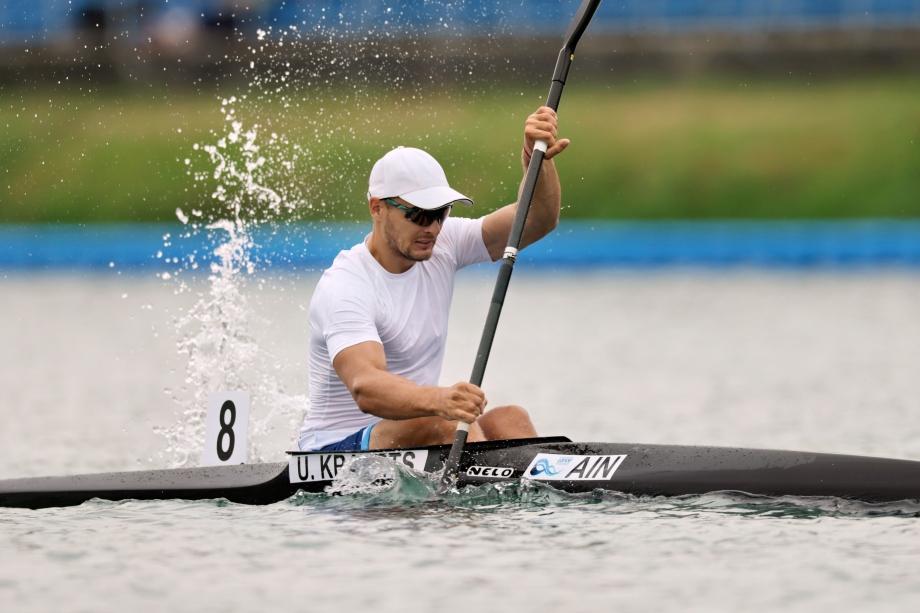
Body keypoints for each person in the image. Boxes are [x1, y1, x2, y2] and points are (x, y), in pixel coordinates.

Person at [297, 107, 569, 452]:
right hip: (336, 450)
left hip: (417, 433)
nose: (433, 228)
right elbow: (365, 386)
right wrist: (440, 399)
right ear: (377, 208)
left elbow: (537, 219)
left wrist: (537, 159)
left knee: (510, 418)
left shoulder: (443, 243)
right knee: (447, 424)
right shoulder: (345, 287)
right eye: (420, 215)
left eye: (441, 212)